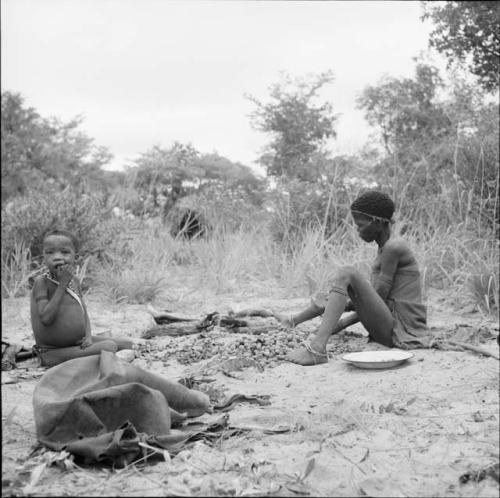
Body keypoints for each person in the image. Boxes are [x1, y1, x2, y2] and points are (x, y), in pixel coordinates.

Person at [275, 190, 430, 366]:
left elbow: (378, 300)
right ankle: (293, 320)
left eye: (360, 225)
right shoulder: (384, 248)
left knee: (347, 273)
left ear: (377, 222)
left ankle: (317, 348)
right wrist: (338, 308)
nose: (357, 231)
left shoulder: (393, 248)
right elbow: (375, 302)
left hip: (399, 331)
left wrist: (340, 321)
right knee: (337, 293)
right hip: (391, 326)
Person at [31, 229, 134, 367]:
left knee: (127, 344)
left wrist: (89, 336)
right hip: (52, 350)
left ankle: (90, 352)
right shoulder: (41, 282)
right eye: (50, 252)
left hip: (77, 342)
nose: (56, 257)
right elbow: (46, 318)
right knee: (109, 346)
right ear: (43, 256)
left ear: (76, 257)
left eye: (65, 252)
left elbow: (83, 311)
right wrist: (62, 285)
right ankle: (50, 359)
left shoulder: (74, 281)